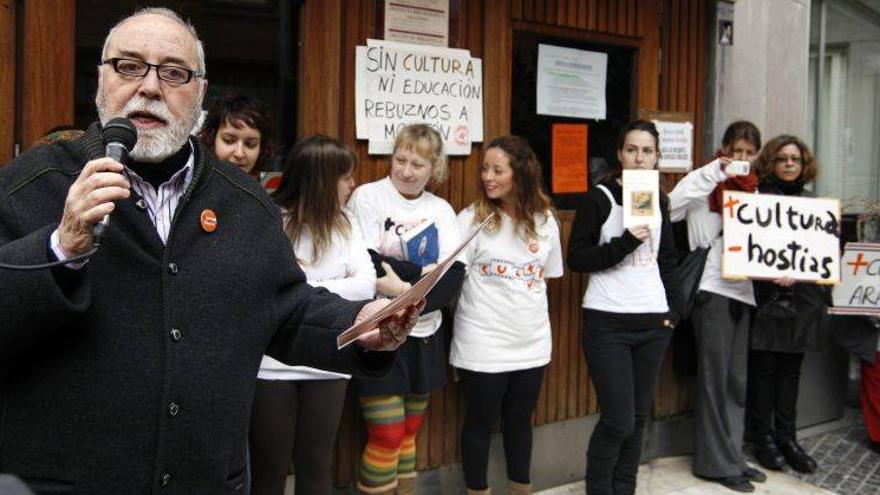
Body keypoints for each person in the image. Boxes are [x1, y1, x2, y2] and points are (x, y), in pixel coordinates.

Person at [0, 8, 421, 493]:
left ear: (200, 92)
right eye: (129, 66)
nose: (150, 87)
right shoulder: (30, 186)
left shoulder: (244, 202)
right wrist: (61, 247)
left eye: (174, 72)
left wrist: (360, 325)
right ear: (101, 79)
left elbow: (285, 310)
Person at [248, 135, 374, 495]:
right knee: (268, 470)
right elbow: (265, 289)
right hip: (271, 364)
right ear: (322, 179)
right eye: (346, 177)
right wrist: (333, 284)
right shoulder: (272, 220)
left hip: (328, 359)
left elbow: (366, 286)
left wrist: (302, 286)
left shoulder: (347, 223)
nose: (353, 185)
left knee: (317, 465)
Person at [347, 123, 465, 495]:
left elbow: (454, 275)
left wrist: (404, 288)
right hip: (378, 333)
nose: (406, 170)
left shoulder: (441, 209)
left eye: (418, 164)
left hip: (426, 334)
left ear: (435, 170)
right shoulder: (368, 197)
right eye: (401, 159)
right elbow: (367, 259)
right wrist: (421, 279)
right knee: (387, 434)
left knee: (409, 434)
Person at [568, 120, 682, 495]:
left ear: (656, 157)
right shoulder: (599, 197)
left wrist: (673, 311)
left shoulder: (660, 199)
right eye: (632, 149)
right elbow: (578, 258)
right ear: (620, 154)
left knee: (636, 418)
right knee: (617, 420)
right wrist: (625, 242)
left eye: (647, 151)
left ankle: (625, 489)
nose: (639, 157)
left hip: (653, 322)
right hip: (607, 323)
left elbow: (667, 259)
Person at [451, 135, 563, 495]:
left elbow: (548, 275)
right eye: (485, 168)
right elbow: (448, 278)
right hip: (482, 342)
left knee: (519, 422)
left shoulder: (545, 221)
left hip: (530, 342)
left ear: (522, 173)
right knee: (480, 423)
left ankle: (520, 490)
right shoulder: (471, 219)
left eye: (498, 170)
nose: (488, 177)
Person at [668, 121, 766, 491]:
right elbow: (671, 207)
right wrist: (713, 172)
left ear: (755, 155)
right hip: (711, 290)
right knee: (715, 381)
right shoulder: (704, 183)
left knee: (736, 381)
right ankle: (714, 463)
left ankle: (732, 456)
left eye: (747, 153)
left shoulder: (755, 191)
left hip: (743, 292)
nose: (740, 159)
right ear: (723, 148)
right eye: (735, 151)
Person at [745, 134, 827, 474]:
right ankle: (762, 439)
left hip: (802, 298)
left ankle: (787, 438)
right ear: (771, 163)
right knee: (763, 369)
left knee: (791, 371)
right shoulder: (758, 199)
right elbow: (747, 244)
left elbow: (823, 252)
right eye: (782, 159)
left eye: (795, 158)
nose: (789, 164)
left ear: (803, 163)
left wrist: (802, 271)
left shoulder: (814, 203)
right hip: (766, 296)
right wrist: (771, 272)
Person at [198, 91, 275, 180]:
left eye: (250, 144)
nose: (239, 153)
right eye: (228, 140)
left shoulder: (263, 192)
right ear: (211, 139)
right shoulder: (191, 186)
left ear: (262, 149)